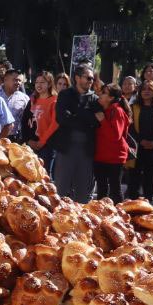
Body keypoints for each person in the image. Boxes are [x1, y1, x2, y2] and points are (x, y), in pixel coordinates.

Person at [53, 65, 103, 203]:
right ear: (77, 78)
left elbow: (99, 121)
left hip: (86, 152)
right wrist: (89, 118)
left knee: (82, 194)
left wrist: (75, 114)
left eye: (92, 78)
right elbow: (62, 118)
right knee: (60, 191)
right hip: (66, 149)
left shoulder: (94, 99)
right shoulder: (65, 95)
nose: (90, 81)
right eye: (88, 77)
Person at [126, 80, 153, 201]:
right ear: (139, 92)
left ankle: (149, 202)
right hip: (136, 148)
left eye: (149, 89)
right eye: (143, 89)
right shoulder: (133, 107)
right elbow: (129, 128)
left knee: (150, 177)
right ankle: (132, 203)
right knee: (134, 178)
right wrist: (140, 140)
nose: (146, 92)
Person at [93, 84, 131, 200]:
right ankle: (101, 216)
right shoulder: (104, 110)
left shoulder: (117, 111)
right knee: (101, 190)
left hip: (115, 157)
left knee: (115, 190)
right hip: (101, 156)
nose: (100, 94)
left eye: (104, 92)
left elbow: (115, 136)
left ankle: (119, 216)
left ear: (111, 98)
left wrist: (103, 120)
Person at [22, 71, 58, 173]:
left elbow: (55, 124)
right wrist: (28, 140)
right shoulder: (32, 100)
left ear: (49, 84)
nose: (39, 85)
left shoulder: (54, 101)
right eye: (37, 82)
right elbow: (24, 121)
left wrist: (42, 142)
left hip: (47, 146)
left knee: (44, 175)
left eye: (42, 82)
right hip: (30, 143)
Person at [0, 69, 31, 136]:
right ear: (5, 79)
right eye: (15, 80)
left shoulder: (24, 98)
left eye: (20, 81)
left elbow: (26, 120)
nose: (18, 83)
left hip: (13, 139)